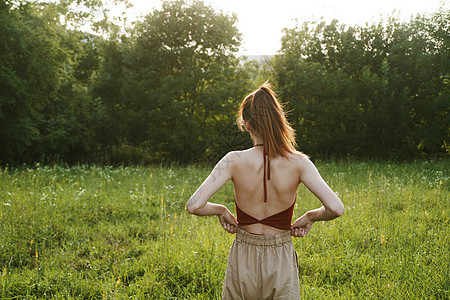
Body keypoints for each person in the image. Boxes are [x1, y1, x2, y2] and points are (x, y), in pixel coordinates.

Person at [186, 82, 344, 300]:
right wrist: (310, 216)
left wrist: (221, 210)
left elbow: (194, 205)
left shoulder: (233, 160)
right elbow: (335, 208)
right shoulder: (299, 163)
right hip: (280, 258)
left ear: (246, 124)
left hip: (243, 256)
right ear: (278, 120)